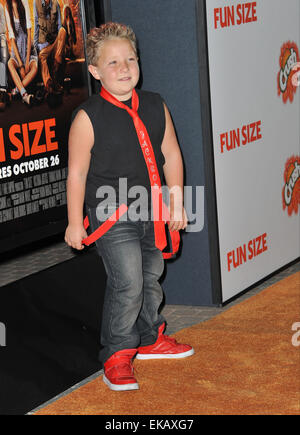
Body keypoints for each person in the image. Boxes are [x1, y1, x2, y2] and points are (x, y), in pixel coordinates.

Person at [64, 22, 194, 392]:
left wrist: (176, 202)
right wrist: (75, 222)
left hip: (152, 210)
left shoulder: (155, 104)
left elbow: (171, 154)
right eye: (113, 63)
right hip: (110, 215)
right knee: (128, 281)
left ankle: (150, 337)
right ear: (94, 71)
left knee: (151, 275)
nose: (124, 69)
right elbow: (76, 174)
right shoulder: (88, 117)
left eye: (130, 60)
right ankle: (117, 353)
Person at [34, 1, 75, 95]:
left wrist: (60, 44)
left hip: (55, 42)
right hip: (44, 43)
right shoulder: (36, 3)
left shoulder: (56, 4)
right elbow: (36, 24)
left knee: (62, 31)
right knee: (41, 56)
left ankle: (56, 66)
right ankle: (49, 84)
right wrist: (35, 45)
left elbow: (60, 26)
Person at [5, 0, 38, 106]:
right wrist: (20, 65)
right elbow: (12, 38)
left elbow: (29, 33)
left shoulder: (24, 2)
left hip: (28, 47)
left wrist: (27, 60)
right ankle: (25, 95)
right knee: (10, 63)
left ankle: (16, 91)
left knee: (34, 68)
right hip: (17, 50)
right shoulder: (7, 7)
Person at [0, 2, 9, 110]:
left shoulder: (0, 7)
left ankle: (2, 91)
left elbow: (3, 29)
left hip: (0, 36)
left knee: (3, 56)